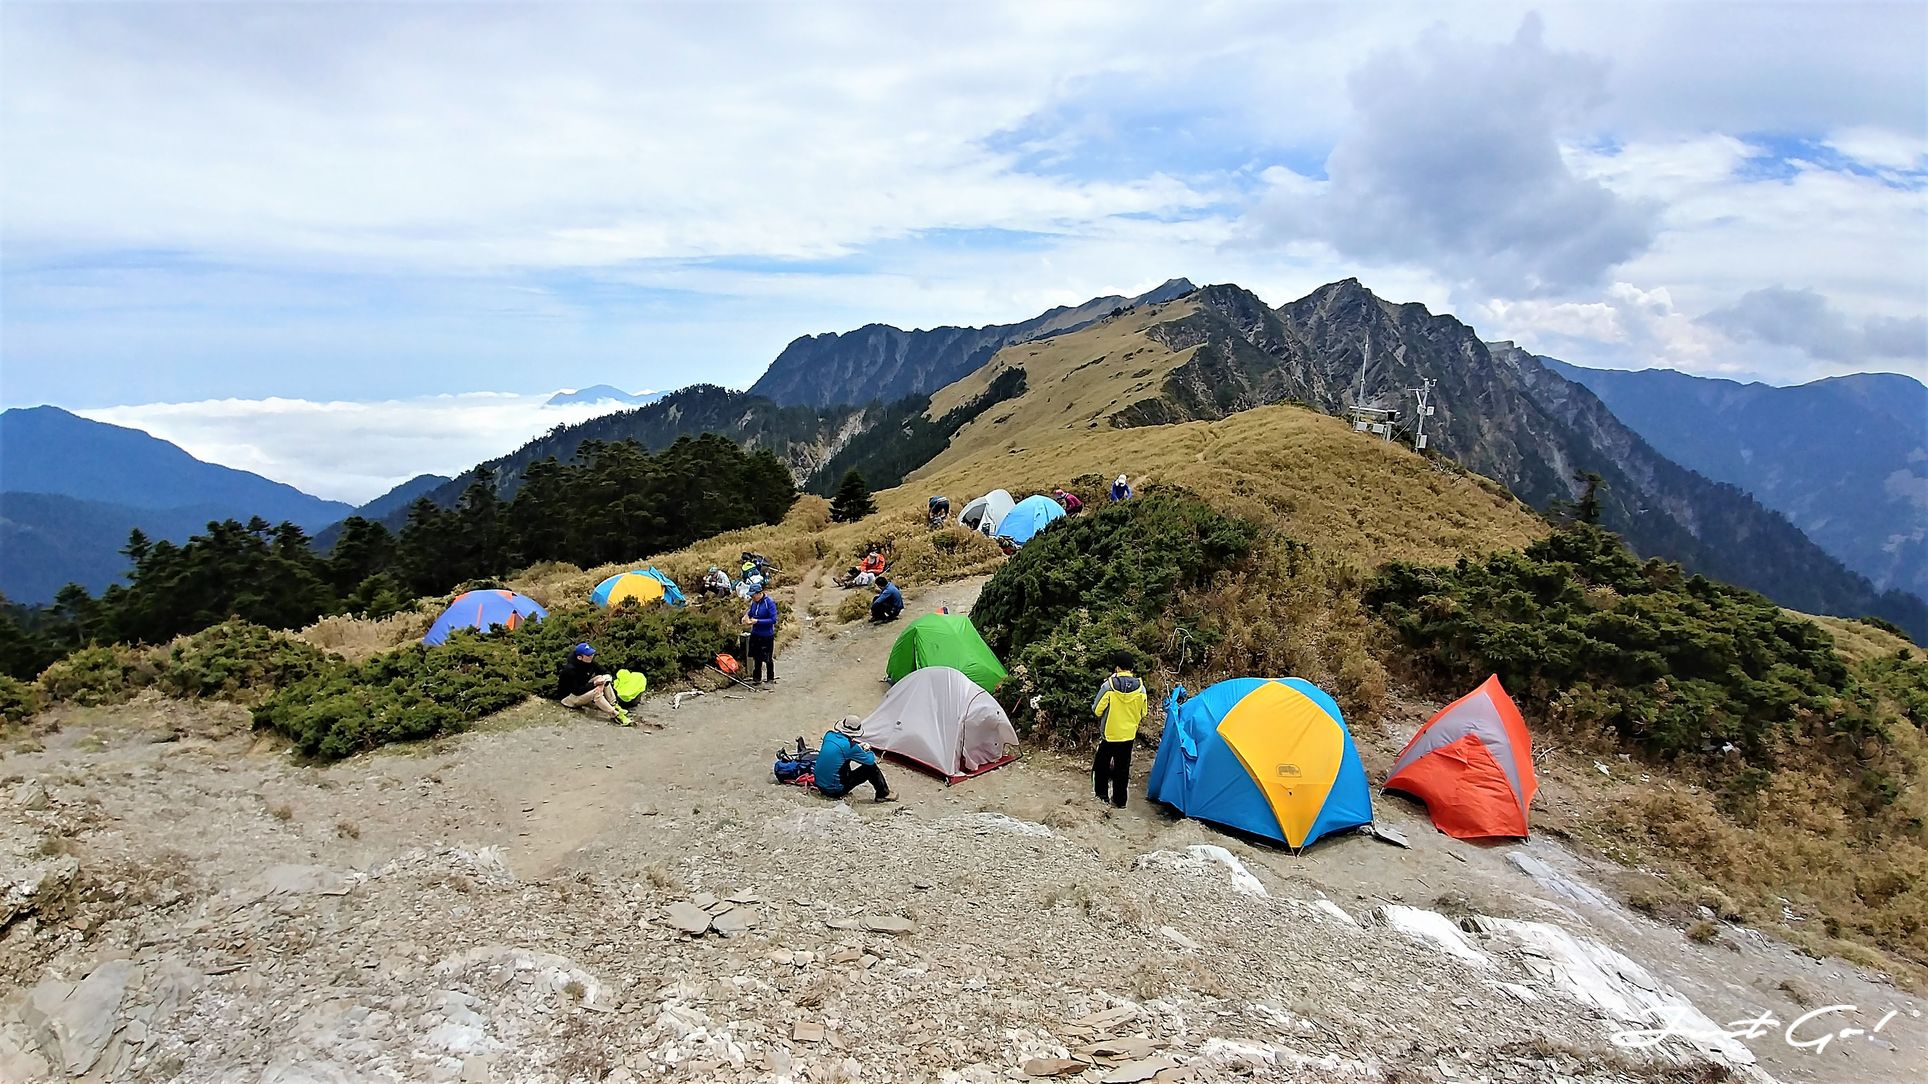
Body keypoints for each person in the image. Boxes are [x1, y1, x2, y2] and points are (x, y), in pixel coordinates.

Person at [1091, 661, 1148, 808]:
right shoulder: (1141, 689)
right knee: (1122, 768)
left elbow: (1097, 710)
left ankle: (1102, 798)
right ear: (1132, 668)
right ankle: (1120, 801)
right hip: (1128, 735)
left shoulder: (1108, 686)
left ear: (1117, 667)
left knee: (1101, 766)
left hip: (1109, 734)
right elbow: (1144, 712)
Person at [815, 715, 894, 802]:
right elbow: (870, 761)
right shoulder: (851, 747)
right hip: (833, 791)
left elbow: (839, 751)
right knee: (871, 768)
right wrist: (867, 750)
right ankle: (883, 794)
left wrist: (857, 749)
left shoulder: (829, 735)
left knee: (841, 761)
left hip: (819, 784)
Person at [555, 643, 631, 726]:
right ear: (580, 657)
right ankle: (615, 714)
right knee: (596, 692)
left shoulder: (590, 662)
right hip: (569, 698)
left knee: (601, 678)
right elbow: (577, 691)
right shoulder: (570, 669)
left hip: (582, 688)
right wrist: (595, 684)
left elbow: (606, 672)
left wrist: (602, 682)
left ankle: (614, 704)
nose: (591, 656)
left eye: (592, 654)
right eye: (588, 655)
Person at [743, 583, 779, 684]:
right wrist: (746, 616)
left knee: (768, 658)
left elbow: (773, 620)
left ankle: (770, 678)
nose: (752, 597)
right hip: (755, 633)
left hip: (766, 635)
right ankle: (757, 678)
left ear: (759, 593)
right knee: (756, 657)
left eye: (753, 595)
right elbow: (750, 612)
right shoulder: (754, 602)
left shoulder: (769, 603)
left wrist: (757, 621)